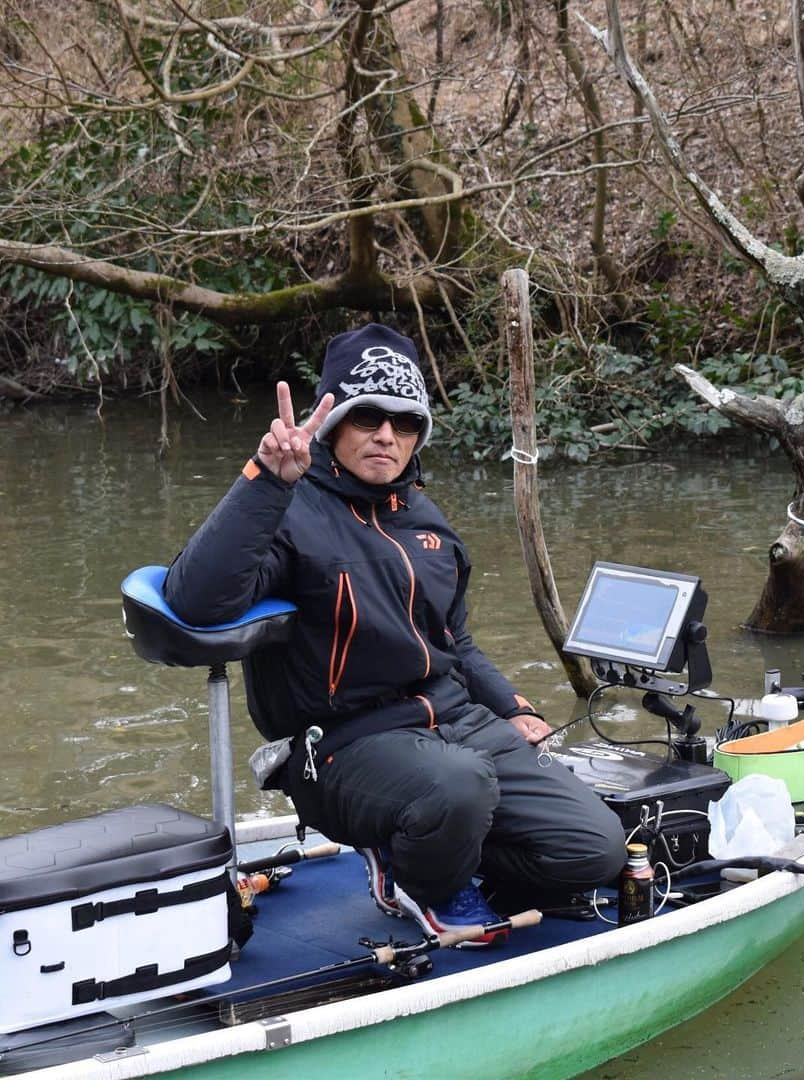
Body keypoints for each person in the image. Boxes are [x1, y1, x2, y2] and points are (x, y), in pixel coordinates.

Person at [165, 323, 626, 944]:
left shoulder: (424, 517)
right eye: (368, 417)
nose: (387, 435)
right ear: (332, 424)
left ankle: (422, 852)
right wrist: (266, 480)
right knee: (460, 785)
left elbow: (455, 642)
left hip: (455, 722)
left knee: (596, 852)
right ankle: (422, 880)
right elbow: (196, 602)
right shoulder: (288, 508)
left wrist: (514, 707)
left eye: (405, 423)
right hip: (341, 746)